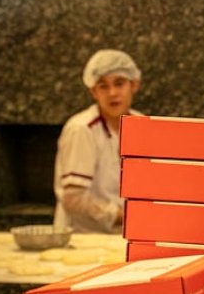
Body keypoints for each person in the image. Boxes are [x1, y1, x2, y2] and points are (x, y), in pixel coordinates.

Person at [53, 49, 142, 233]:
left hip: (126, 236)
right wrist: (123, 216)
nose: (112, 93)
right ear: (93, 91)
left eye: (119, 83)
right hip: (82, 239)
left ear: (134, 85)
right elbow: (74, 199)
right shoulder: (81, 129)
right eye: (103, 86)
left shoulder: (143, 125)